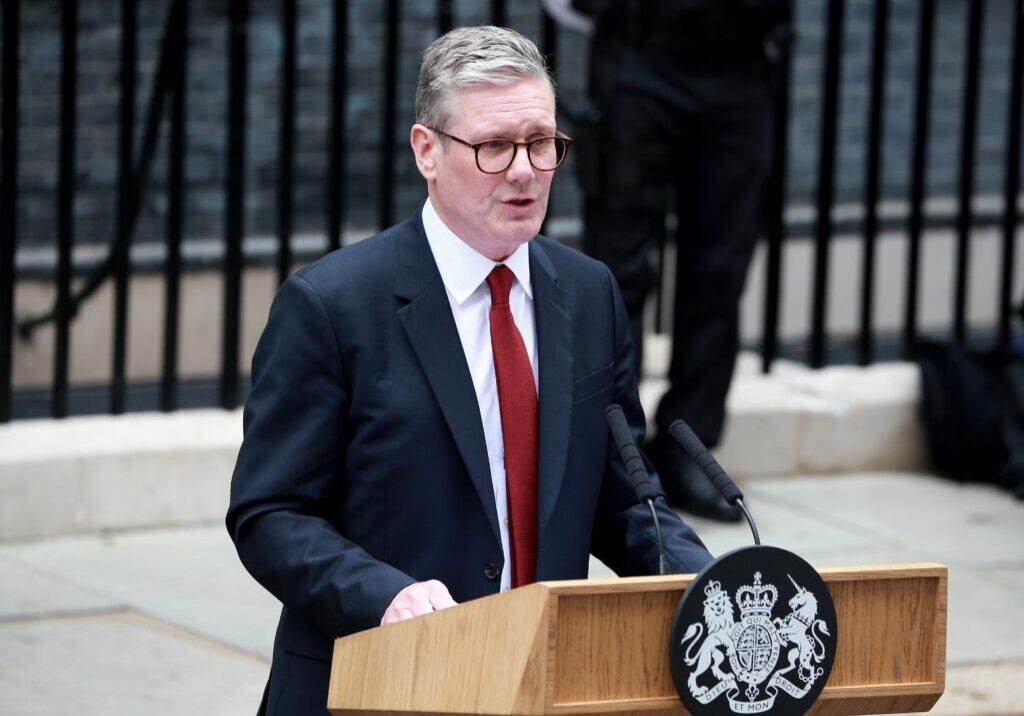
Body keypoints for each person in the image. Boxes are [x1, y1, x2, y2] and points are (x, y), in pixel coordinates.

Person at [226, 26, 712, 716]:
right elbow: (269, 513)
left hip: (537, 686)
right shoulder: (332, 306)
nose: (524, 170)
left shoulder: (588, 292)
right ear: (427, 150)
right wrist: (383, 593)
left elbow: (623, 498)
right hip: (377, 684)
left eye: (541, 143)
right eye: (493, 147)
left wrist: (715, 588)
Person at [567, 0, 791, 522]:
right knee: (615, 274)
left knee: (721, 271)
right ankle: (611, 454)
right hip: (644, 50)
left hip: (743, 59)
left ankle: (691, 451)